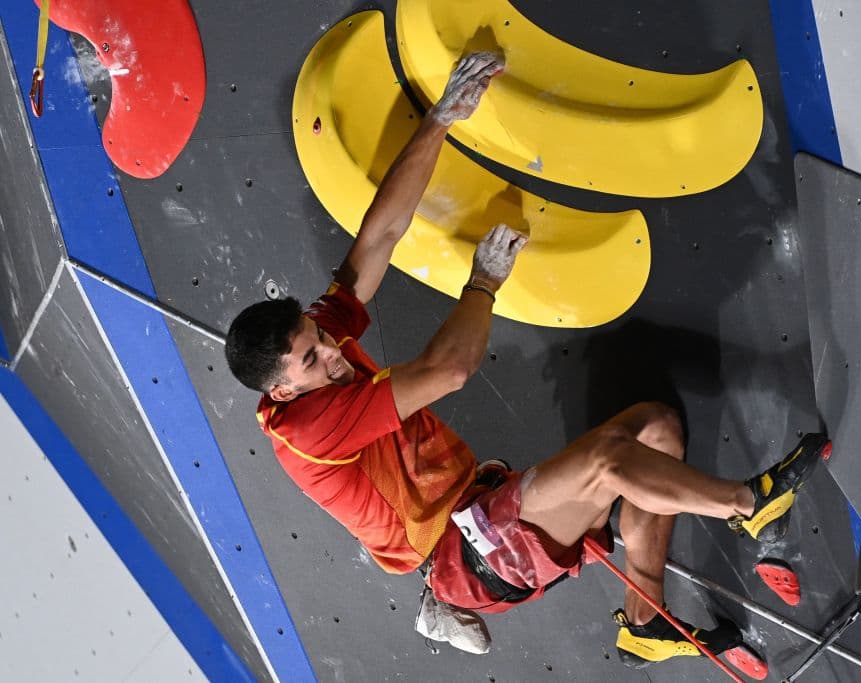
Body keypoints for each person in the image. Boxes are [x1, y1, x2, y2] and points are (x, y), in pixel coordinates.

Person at [225, 52, 829, 674]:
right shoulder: (310, 429)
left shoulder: (317, 346)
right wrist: (483, 282)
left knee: (655, 429)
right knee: (609, 463)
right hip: (466, 556)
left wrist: (440, 120)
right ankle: (748, 506)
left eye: (317, 337)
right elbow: (448, 370)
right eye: (311, 358)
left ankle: (644, 627)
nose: (330, 351)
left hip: (475, 506)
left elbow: (378, 238)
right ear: (284, 389)